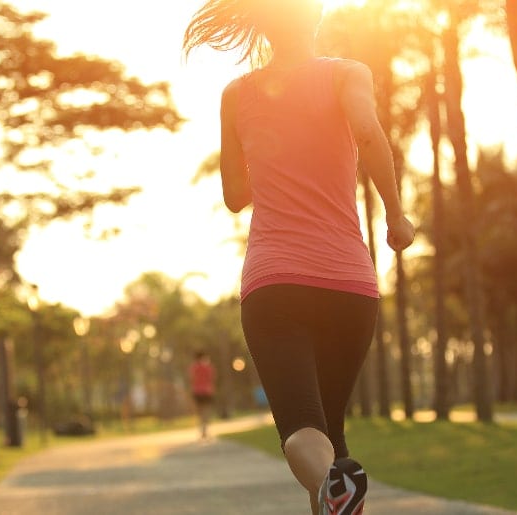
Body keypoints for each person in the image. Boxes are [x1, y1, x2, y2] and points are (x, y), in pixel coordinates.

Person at [183, 1, 416, 514]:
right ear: (315, 19)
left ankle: (335, 484)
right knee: (330, 433)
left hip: (276, 285)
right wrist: (396, 216)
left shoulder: (237, 94)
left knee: (302, 431)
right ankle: (337, 486)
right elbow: (369, 133)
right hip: (350, 286)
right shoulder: (348, 75)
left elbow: (235, 194)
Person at [188, 351, 217, 439]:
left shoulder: (193, 367)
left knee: (200, 411)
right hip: (207, 391)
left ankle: (202, 429)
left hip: (197, 391)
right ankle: (205, 430)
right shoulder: (208, 367)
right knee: (206, 411)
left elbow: (191, 379)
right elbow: (212, 378)